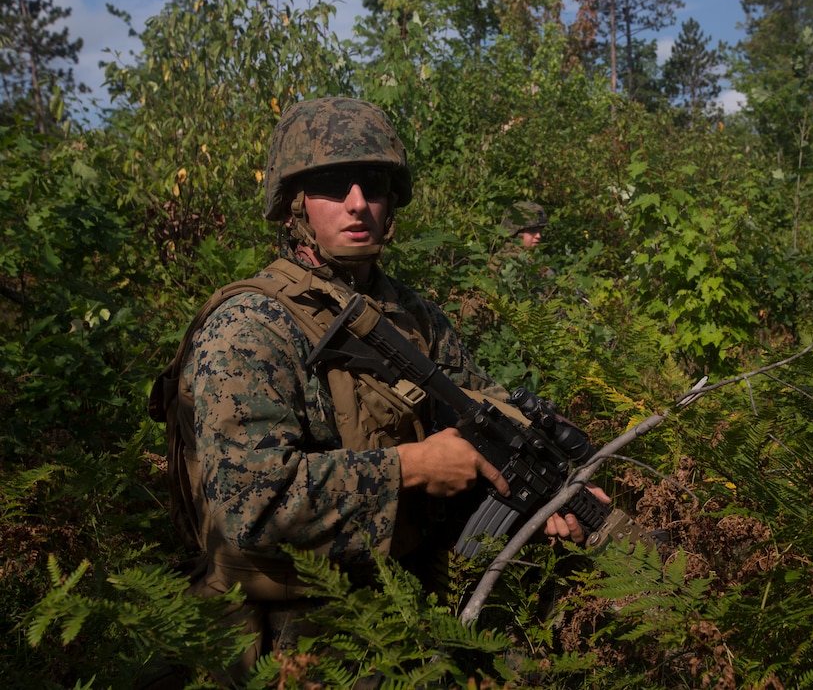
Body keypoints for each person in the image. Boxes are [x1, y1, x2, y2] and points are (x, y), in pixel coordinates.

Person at [148, 96, 605, 682]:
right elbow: (251, 510)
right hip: (288, 632)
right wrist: (411, 467)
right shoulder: (250, 328)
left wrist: (552, 493)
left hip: (411, 597)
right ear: (294, 204)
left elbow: (484, 417)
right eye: (334, 184)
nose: (358, 202)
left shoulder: (415, 318)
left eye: (374, 183)